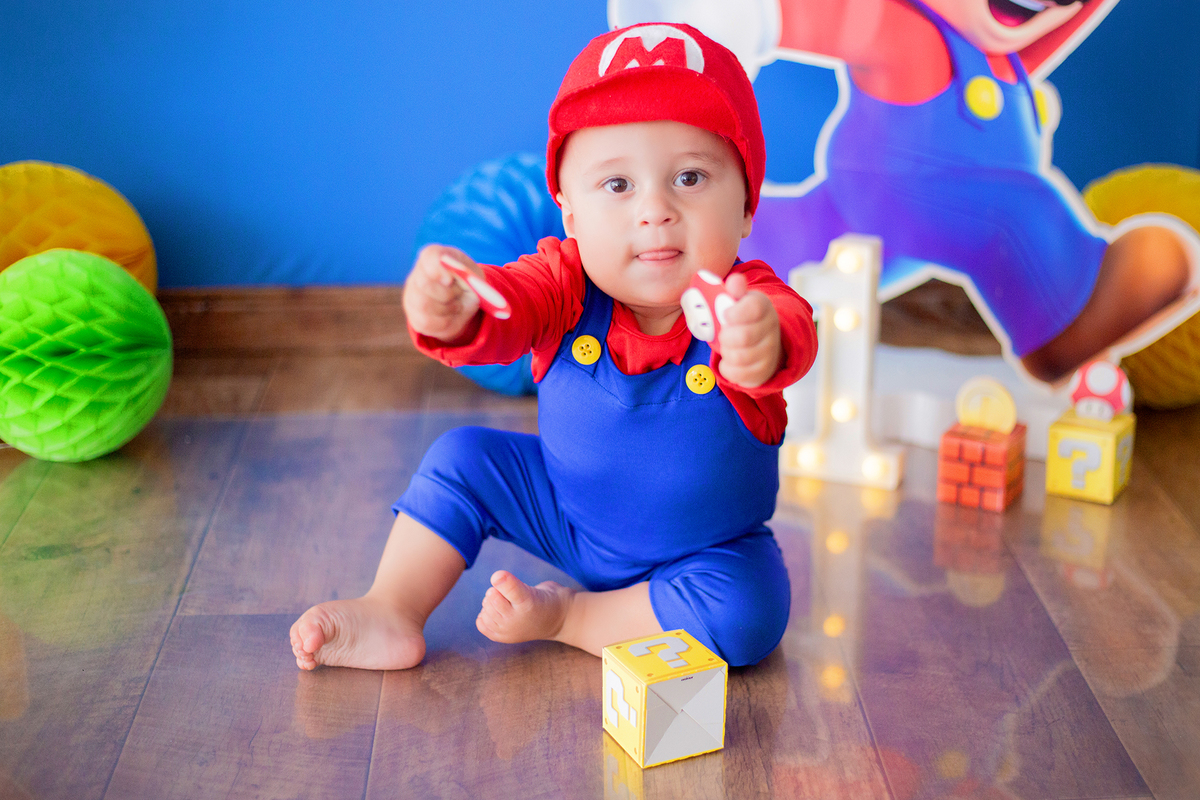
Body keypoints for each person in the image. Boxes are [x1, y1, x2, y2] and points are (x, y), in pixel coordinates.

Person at [289, 22, 818, 671]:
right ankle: (392, 607)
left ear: (745, 207)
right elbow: (511, 303)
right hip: (563, 514)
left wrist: (761, 342)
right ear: (569, 214)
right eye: (618, 185)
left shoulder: (748, 302)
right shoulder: (565, 281)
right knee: (463, 457)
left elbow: (792, 328)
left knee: (750, 609)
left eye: (689, 177)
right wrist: (461, 309)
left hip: (704, 553)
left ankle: (573, 617)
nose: (654, 209)